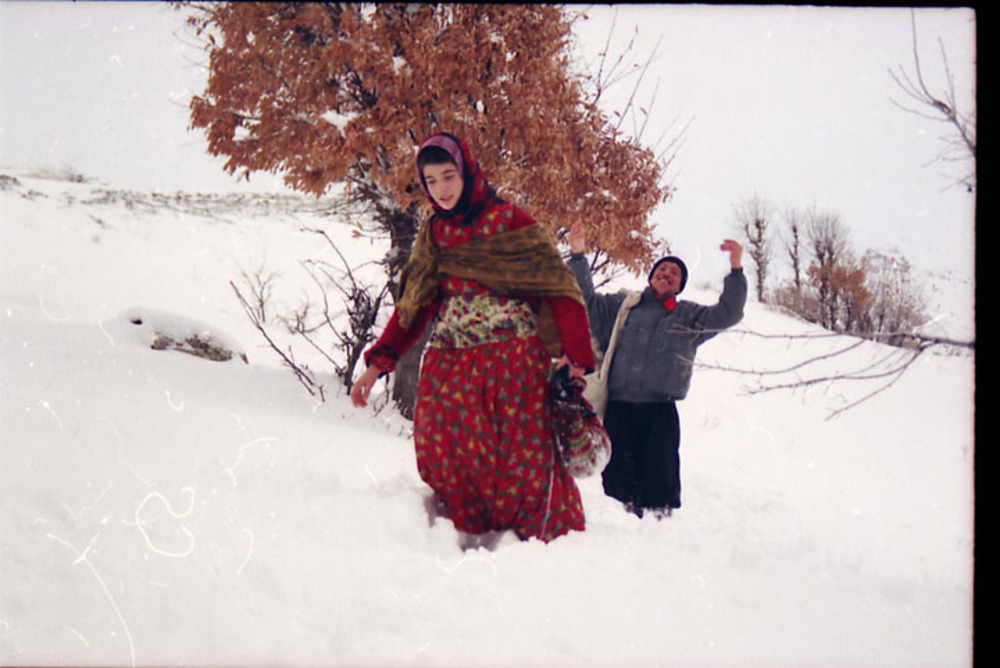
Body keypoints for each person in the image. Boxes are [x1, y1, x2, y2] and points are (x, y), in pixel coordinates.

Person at [351, 132, 596, 547]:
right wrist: (379, 363)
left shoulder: (512, 223)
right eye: (431, 181)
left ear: (467, 172)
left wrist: (576, 357)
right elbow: (416, 305)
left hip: (512, 361)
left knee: (520, 456)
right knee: (446, 449)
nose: (442, 189)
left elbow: (559, 289)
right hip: (451, 365)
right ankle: (465, 533)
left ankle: (536, 546)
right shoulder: (434, 235)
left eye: (449, 176)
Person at [567, 220, 747, 518]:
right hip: (620, 410)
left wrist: (736, 270)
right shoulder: (624, 306)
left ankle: (659, 543)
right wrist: (577, 256)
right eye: (662, 269)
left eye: (674, 273)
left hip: (659, 414)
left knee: (659, 488)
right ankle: (619, 540)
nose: (667, 274)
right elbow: (586, 300)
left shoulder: (689, 317)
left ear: (679, 286)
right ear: (651, 277)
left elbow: (728, 314)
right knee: (616, 488)